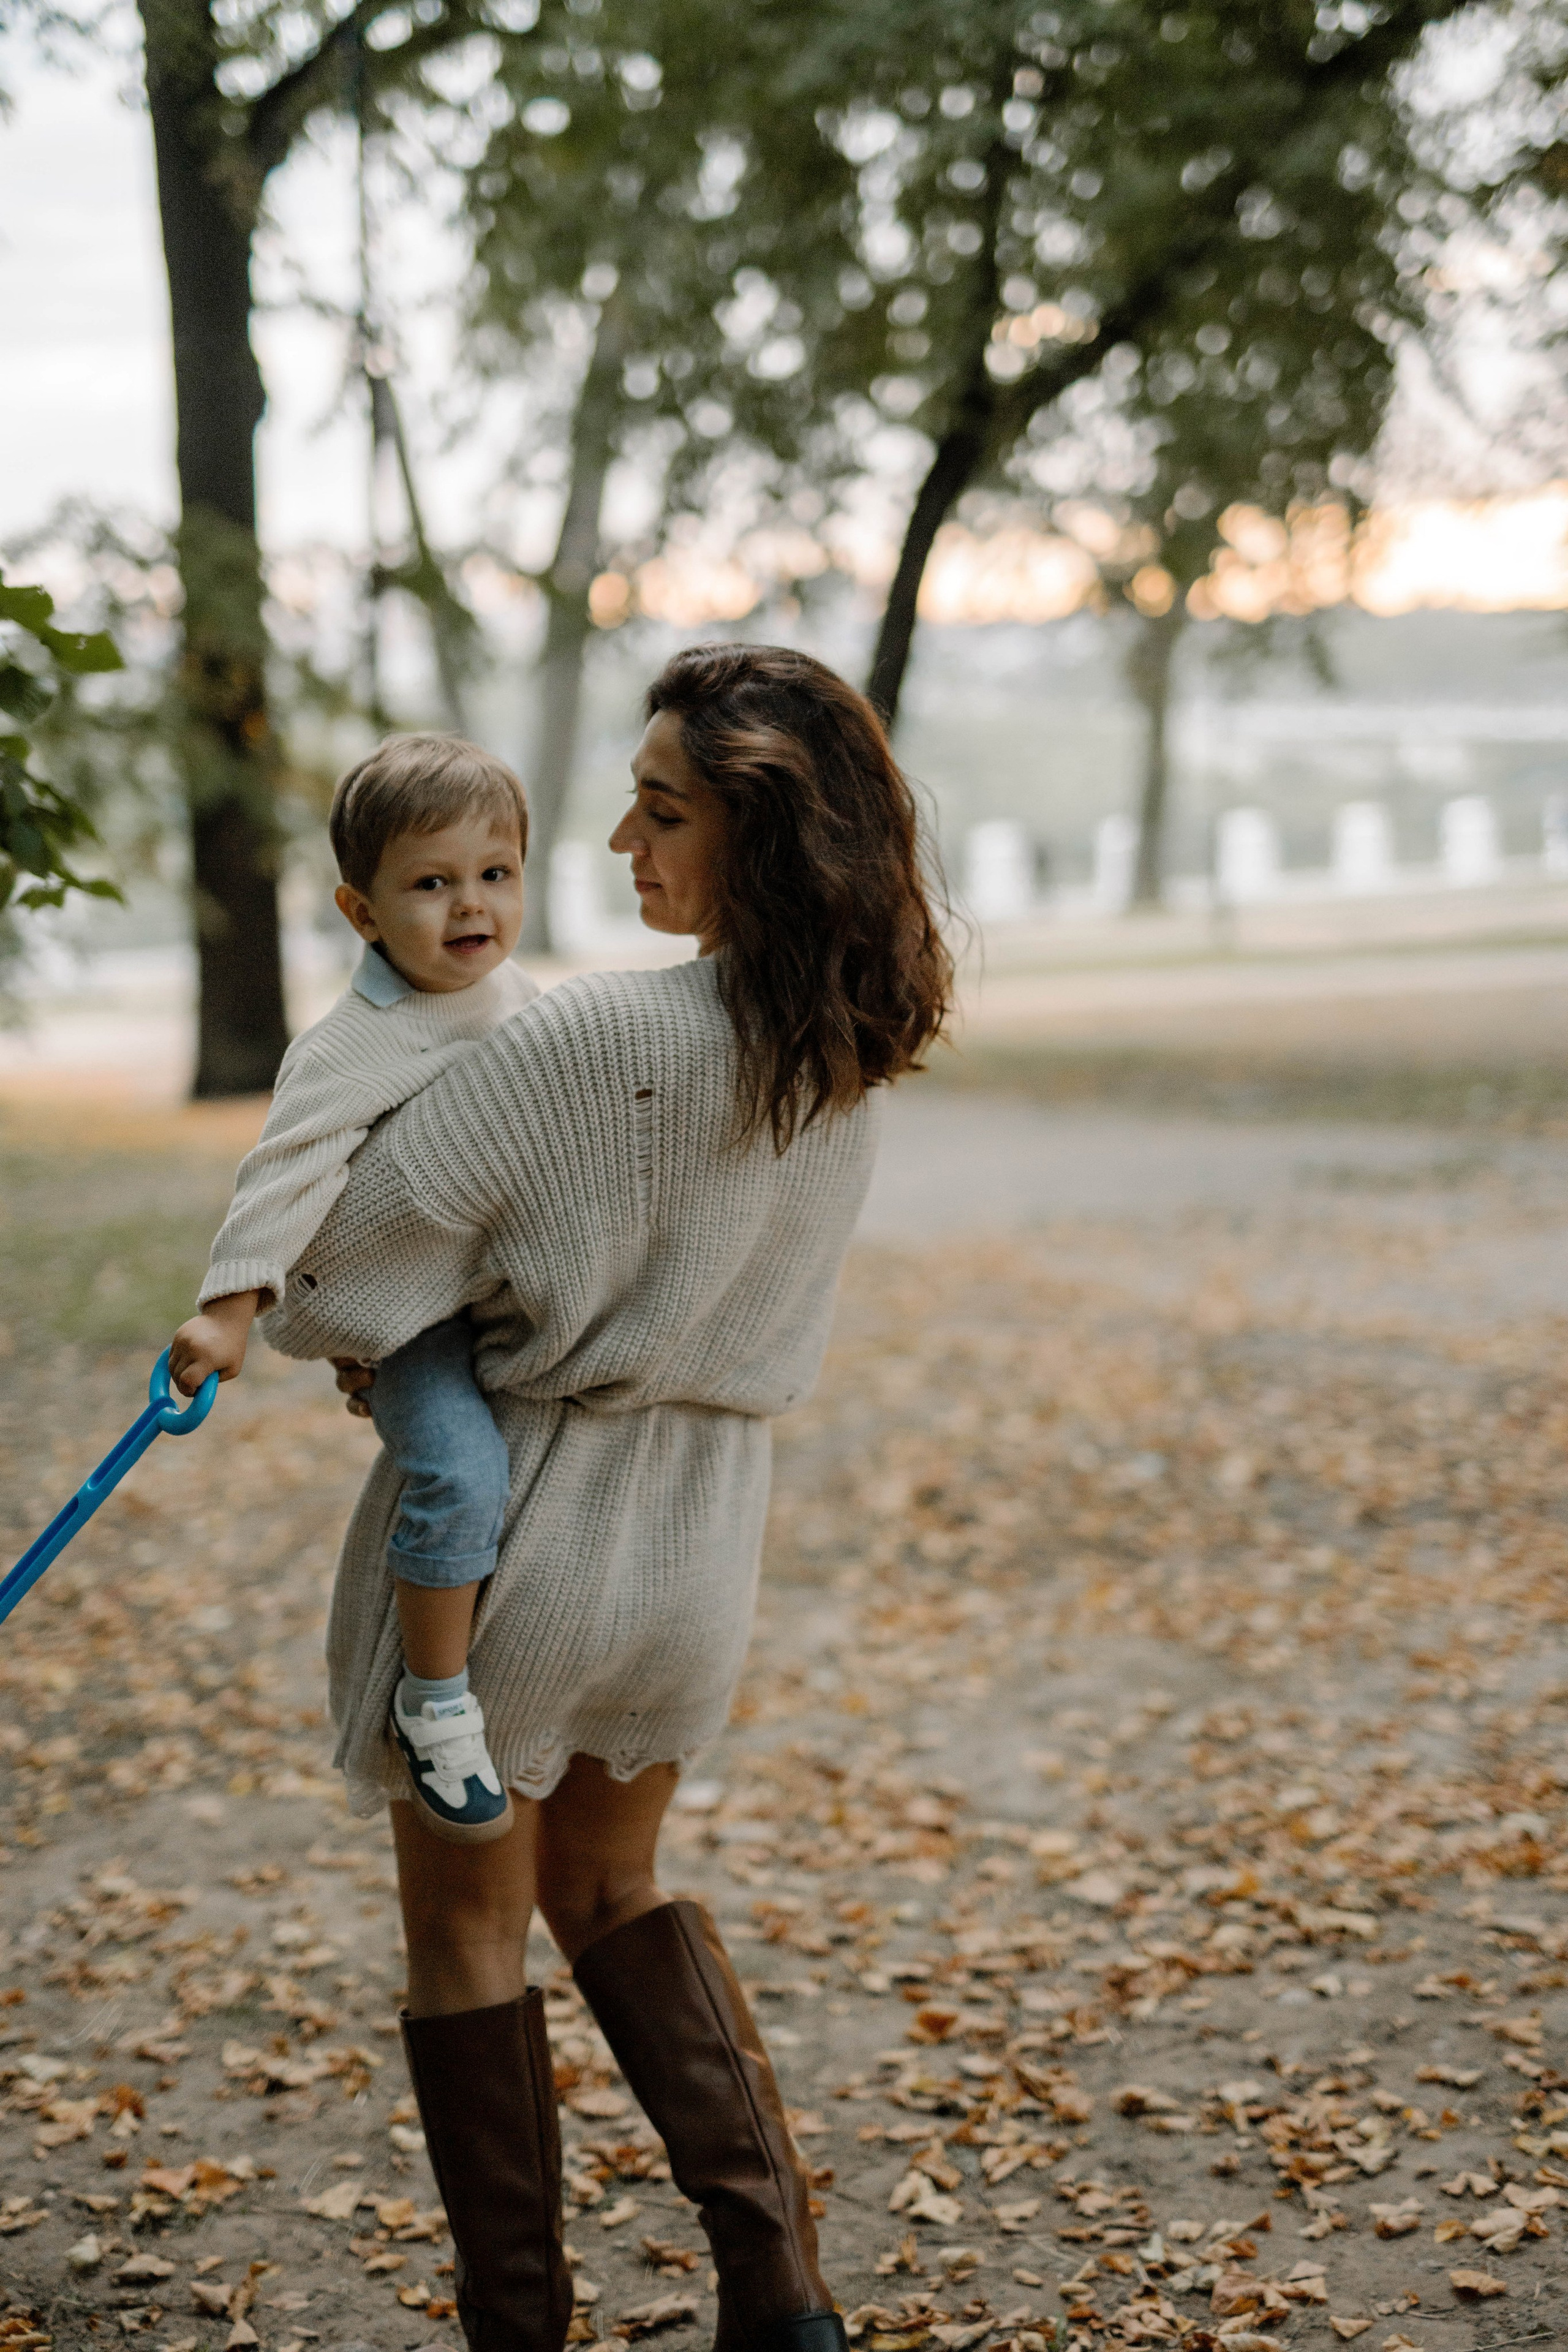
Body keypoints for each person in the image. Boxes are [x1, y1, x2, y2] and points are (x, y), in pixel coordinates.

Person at [264, 644, 954, 2352]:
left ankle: (521, 2329)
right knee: (618, 1894)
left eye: (663, 814)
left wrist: (382, 1339)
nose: (619, 847)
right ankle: (777, 2293)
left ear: (765, 839)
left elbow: (329, 1281)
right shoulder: (842, 1054)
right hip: (699, 1546)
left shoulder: (584, 1044)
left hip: (528, 1532)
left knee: (471, 1943)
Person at [168, 734, 538, 1843]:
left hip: (499, 1294)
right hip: (407, 1319)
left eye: (494, 874)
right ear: (361, 911)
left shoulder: (519, 997)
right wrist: (229, 1309)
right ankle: (434, 1702)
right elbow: (284, 1171)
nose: (470, 906)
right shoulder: (351, 1045)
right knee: (462, 1473)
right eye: (431, 884)